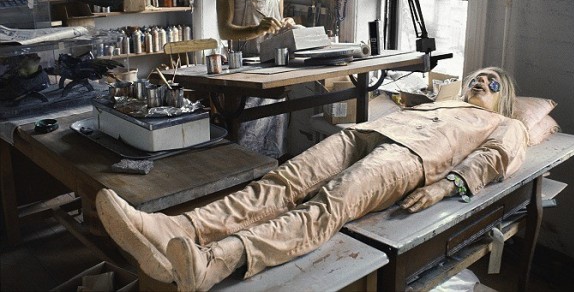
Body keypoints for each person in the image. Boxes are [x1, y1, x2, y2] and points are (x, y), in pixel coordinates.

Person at [96, 67, 528, 290]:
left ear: (504, 99)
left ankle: (215, 261)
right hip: (366, 134)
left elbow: (494, 158)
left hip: (409, 158)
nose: (481, 82)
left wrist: (445, 186)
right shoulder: (443, 102)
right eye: (478, 77)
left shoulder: (505, 124)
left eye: (492, 83)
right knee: (282, 181)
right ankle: (175, 228)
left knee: (328, 205)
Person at [215, 0, 298, 159]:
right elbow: (224, 30)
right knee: (244, 139)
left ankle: (271, 178)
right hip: (242, 71)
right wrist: (257, 29)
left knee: (275, 137)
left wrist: (287, 25)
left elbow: (277, 26)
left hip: (274, 68)